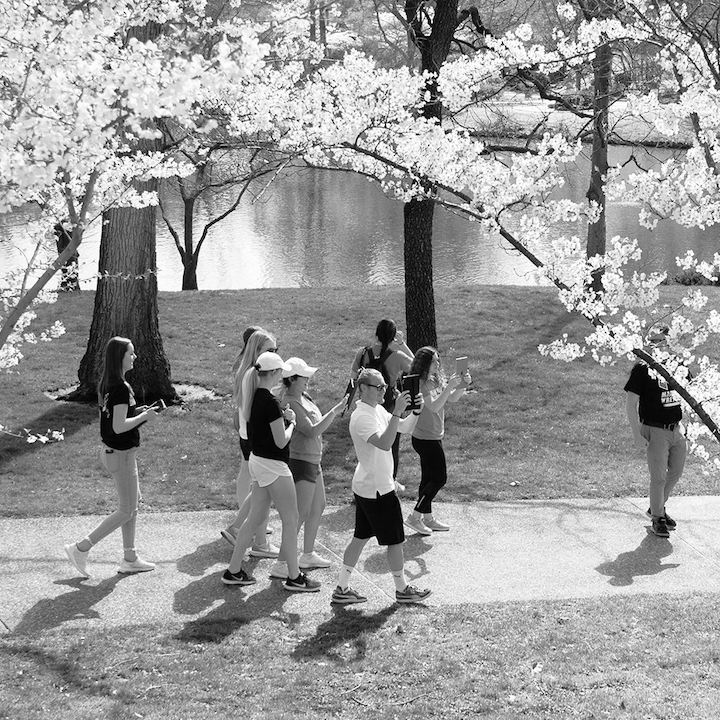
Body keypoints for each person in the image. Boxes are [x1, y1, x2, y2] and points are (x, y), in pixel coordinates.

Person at [222, 352, 320, 592]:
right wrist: (292, 423)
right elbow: (280, 441)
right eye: (281, 371)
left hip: (257, 462)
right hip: (274, 466)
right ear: (275, 374)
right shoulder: (270, 403)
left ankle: (233, 570)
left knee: (255, 517)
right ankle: (294, 576)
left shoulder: (254, 397)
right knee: (291, 518)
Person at [331, 368, 430, 605]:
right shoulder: (362, 416)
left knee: (360, 537)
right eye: (378, 387)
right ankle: (402, 589)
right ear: (363, 389)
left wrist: (416, 411)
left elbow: (404, 428)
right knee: (395, 540)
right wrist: (396, 412)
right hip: (377, 489)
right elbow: (385, 443)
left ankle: (342, 588)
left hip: (369, 486)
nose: (383, 390)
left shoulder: (376, 410)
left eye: (384, 386)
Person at [64, 337, 161, 577]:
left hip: (117, 453)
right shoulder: (120, 387)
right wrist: (144, 418)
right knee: (126, 509)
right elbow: (119, 426)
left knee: (132, 507)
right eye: (131, 353)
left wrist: (140, 412)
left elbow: (114, 418)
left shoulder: (108, 383)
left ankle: (130, 557)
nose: (135, 357)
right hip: (121, 455)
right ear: (120, 357)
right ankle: (80, 548)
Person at [266, 357, 346, 578]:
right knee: (299, 515)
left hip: (313, 459)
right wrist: (335, 411)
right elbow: (311, 431)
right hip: (301, 461)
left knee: (318, 506)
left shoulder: (303, 397)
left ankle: (307, 554)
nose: (309, 380)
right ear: (292, 379)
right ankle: (282, 563)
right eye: (305, 377)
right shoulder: (290, 402)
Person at [221, 328, 279, 560]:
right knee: (263, 489)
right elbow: (259, 408)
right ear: (257, 351)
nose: (274, 354)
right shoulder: (254, 376)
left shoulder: (248, 372)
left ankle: (244, 530)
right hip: (256, 438)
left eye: (276, 350)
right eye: (270, 350)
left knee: (260, 489)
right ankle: (259, 541)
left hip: (250, 436)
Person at [624, 324, 687, 538]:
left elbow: (691, 391)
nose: (657, 345)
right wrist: (636, 433)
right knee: (659, 477)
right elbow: (631, 403)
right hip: (655, 430)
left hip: (677, 429)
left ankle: (656, 507)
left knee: (676, 473)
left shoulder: (678, 364)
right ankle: (658, 517)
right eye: (653, 341)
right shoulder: (642, 369)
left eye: (662, 340)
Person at [405, 347, 470, 535]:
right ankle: (414, 517)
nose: (438, 364)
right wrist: (449, 386)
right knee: (440, 478)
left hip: (434, 435)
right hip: (425, 438)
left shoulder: (434, 380)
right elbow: (433, 407)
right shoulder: (422, 383)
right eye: (434, 361)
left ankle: (427, 518)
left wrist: (460, 386)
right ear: (425, 363)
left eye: (438, 360)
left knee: (427, 479)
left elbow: (451, 399)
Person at [350, 319, 413, 479]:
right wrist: (402, 344)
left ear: (376, 333)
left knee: (368, 446)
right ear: (393, 337)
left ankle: (367, 479)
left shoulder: (362, 353)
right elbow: (416, 366)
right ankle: (390, 481)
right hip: (390, 403)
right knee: (391, 445)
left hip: (367, 403)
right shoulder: (396, 356)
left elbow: (353, 376)